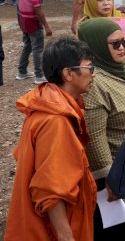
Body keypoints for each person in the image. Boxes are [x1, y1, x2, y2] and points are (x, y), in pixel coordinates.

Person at [5, 36, 97, 241]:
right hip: (49, 231)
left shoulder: (46, 102)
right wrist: (66, 236)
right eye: (89, 67)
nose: (93, 74)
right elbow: (51, 190)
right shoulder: (56, 119)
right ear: (68, 74)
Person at [78, 18, 125, 240]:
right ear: (95, 46)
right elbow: (95, 137)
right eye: (115, 44)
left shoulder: (124, 69)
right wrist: (112, 181)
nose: (122, 48)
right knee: (121, 230)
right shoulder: (95, 83)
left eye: (124, 42)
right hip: (117, 176)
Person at [12, 0, 52, 85]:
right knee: (37, 48)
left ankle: (22, 72)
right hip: (32, 20)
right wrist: (46, 26)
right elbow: (38, 9)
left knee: (28, 44)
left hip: (22, 18)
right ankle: (39, 75)